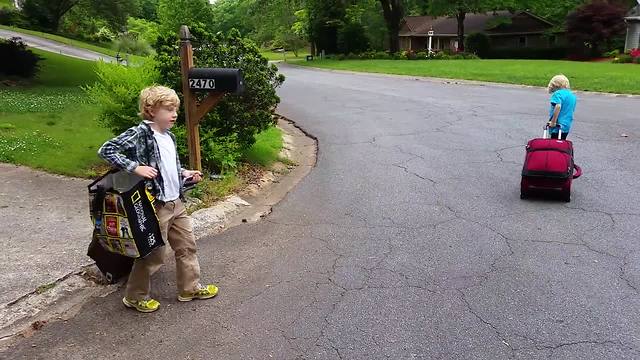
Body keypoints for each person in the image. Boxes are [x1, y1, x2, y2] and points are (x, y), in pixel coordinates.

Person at [98, 85, 218, 313]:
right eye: (168, 109)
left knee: (187, 247)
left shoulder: (169, 136)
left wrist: (185, 173)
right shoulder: (140, 133)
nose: (174, 114)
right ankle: (134, 296)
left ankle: (189, 289)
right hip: (156, 206)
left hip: (176, 202)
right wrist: (136, 167)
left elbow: (169, 166)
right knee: (153, 254)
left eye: (175, 109)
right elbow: (107, 149)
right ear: (151, 110)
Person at [546, 74, 577, 140]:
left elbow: (558, 106)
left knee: (553, 145)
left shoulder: (557, 94)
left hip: (557, 125)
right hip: (566, 125)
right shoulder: (572, 95)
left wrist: (553, 121)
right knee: (561, 144)